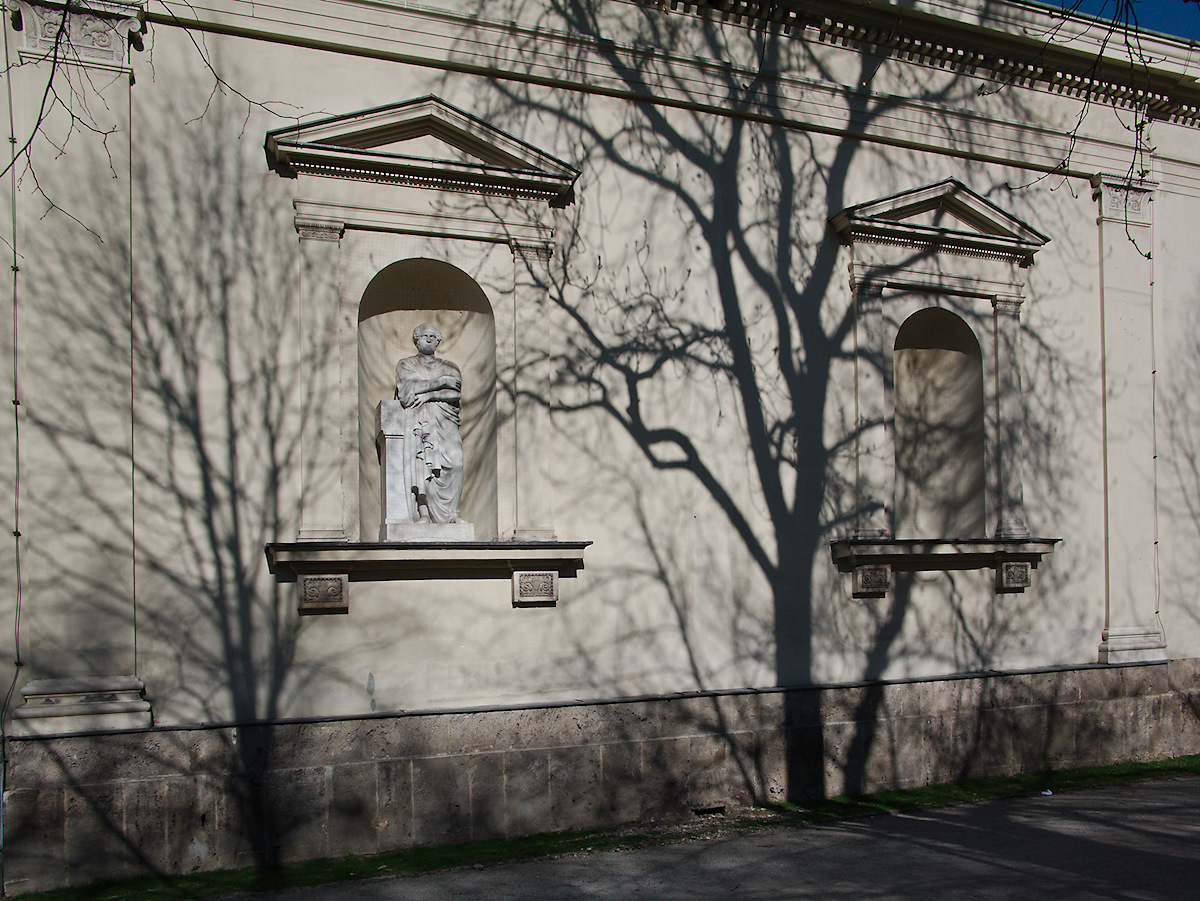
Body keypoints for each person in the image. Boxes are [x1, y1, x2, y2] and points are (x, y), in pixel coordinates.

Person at [393, 323, 464, 523]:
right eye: (425, 335)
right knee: (422, 463)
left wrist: (429, 395)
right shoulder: (406, 364)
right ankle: (423, 513)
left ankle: (452, 513)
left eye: (433, 336)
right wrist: (441, 382)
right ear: (416, 340)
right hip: (419, 419)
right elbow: (407, 391)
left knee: (455, 463)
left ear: (438, 340)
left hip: (445, 419)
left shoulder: (450, 367)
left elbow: (455, 393)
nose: (429, 338)